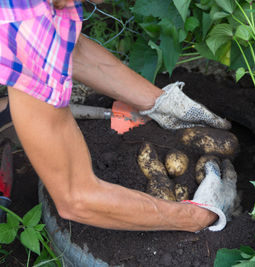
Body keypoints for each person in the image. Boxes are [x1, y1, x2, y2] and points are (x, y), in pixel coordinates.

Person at [0, 0, 237, 232]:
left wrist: (160, 102)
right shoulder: (28, 23)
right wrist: (195, 217)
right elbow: (76, 197)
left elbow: (67, 45)